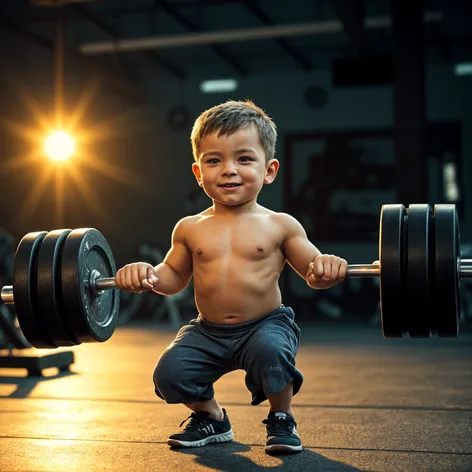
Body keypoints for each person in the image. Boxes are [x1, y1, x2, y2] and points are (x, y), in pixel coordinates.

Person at [114, 100, 348, 454]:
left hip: (265, 325)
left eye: (244, 159)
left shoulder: (281, 225)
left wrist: (327, 267)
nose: (228, 170)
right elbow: (173, 276)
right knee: (169, 374)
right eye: (214, 160)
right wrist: (146, 275)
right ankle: (211, 416)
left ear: (269, 170)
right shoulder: (189, 228)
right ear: (198, 172)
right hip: (207, 330)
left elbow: (313, 272)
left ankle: (282, 416)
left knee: (272, 353)